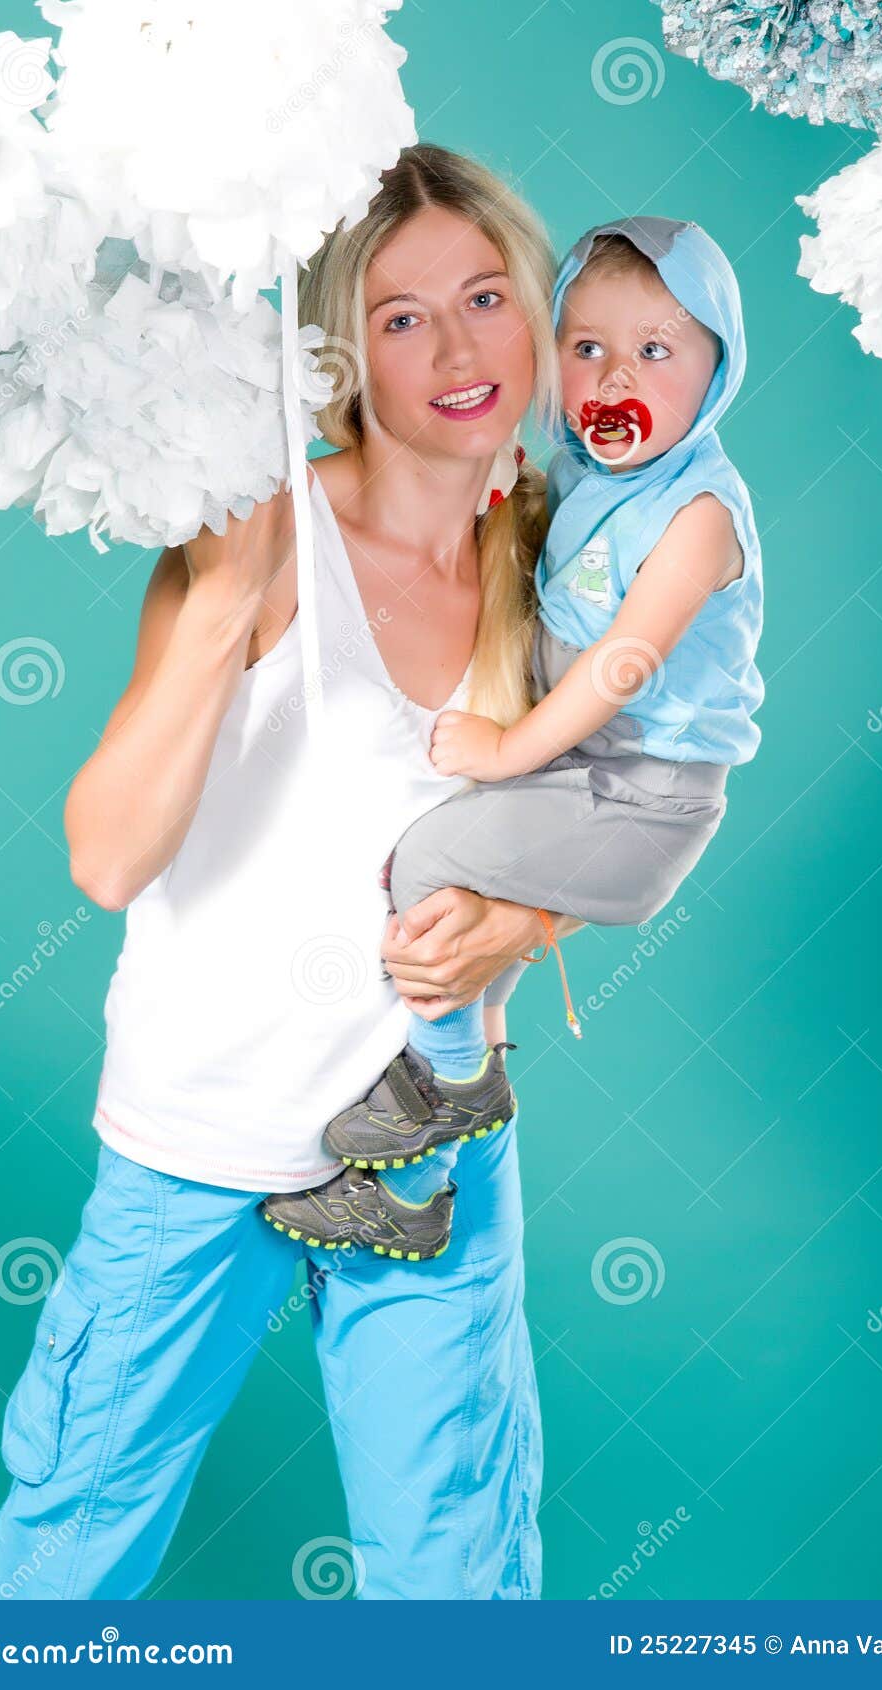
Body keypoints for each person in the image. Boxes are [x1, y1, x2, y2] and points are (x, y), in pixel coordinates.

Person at [0, 143, 572, 1602]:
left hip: (432, 1153)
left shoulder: (557, 554)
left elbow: (614, 814)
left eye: (486, 295)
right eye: (405, 316)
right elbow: (107, 854)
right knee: (63, 1554)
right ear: (344, 350)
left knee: (460, 1581)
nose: (461, 347)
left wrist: (522, 918)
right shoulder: (260, 528)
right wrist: (228, 597)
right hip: (202, 1147)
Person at [263, 216, 764, 1259]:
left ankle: (459, 1083)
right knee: (465, 936)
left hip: (644, 796)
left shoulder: (698, 513)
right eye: (586, 348)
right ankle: (412, 1192)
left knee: (432, 856)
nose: (612, 376)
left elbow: (623, 660)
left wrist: (505, 751)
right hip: (591, 777)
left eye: (655, 352)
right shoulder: (588, 470)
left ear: (717, 369)